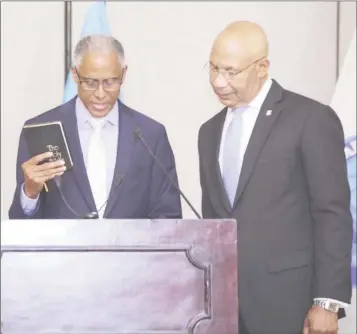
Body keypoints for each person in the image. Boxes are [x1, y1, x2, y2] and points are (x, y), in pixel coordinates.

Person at [198, 21, 353, 334]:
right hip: (222, 307)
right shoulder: (208, 131)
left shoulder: (310, 119)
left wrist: (327, 302)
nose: (218, 81)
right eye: (213, 68)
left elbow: (332, 213)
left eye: (230, 71)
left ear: (262, 67)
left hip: (289, 304)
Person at [9, 35, 182, 220]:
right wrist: (29, 193)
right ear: (75, 74)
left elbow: (169, 217)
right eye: (90, 83)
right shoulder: (40, 130)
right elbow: (19, 227)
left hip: (130, 249)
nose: (100, 94)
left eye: (110, 82)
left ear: (123, 74)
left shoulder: (150, 135)